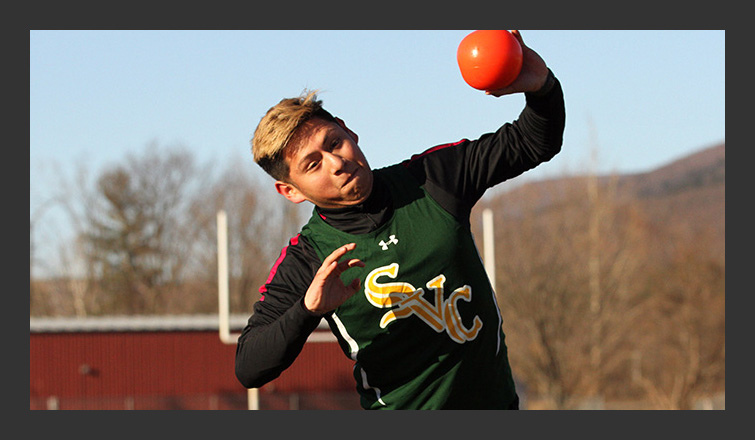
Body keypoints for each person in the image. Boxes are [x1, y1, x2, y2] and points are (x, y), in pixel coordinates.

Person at [235, 30, 565, 409]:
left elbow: (533, 142)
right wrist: (308, 310)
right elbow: (249, 367)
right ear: (290, 191)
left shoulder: (431, 180)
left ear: (349, 130)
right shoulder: (309, 258)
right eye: (313, 164)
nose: (337, 163)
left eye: (334, 142)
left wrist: (542, 87)